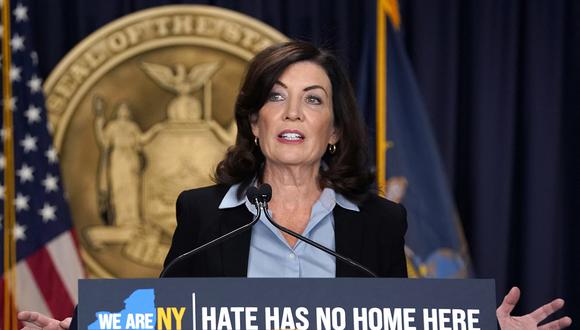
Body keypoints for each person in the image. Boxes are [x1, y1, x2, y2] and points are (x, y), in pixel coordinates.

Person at [18, 41, 571, 329]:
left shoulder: (379, 222)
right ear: (255, 124)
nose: (294, 112)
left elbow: (400, 322)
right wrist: (84, 326)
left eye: (313, 99)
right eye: (276, 96)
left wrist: (479, 328)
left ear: (333, 131)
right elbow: (164, 313)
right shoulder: (204, 214)